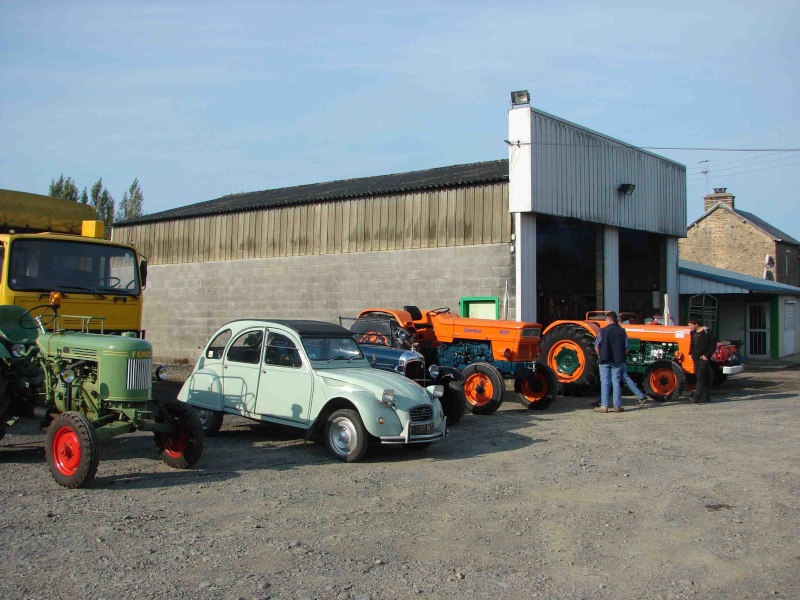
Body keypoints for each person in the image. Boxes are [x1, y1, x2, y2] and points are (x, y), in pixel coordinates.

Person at [593, 311, 628, 413]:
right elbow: (627, 347)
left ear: (608, 320)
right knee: (616, 382)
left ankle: (604, 406)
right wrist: (621, 355)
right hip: (617, 360)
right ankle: (617, 406)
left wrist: (599, 355)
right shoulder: (622, 331)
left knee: (605, 383)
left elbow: (597, 345)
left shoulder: (603, 331)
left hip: (604, 360)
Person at [688, 317, 716, 404]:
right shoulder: (692, 333)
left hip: (703, 358)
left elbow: (713, 345)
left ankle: (696, 396)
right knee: (701, 377)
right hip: (696, 358)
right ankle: (705, 397)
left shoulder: (707, 332)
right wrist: (690, 353)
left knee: (700, 376)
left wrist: (707, 355)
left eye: (690, 325)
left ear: (696, 324)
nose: (689, 327)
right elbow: (692, 344)